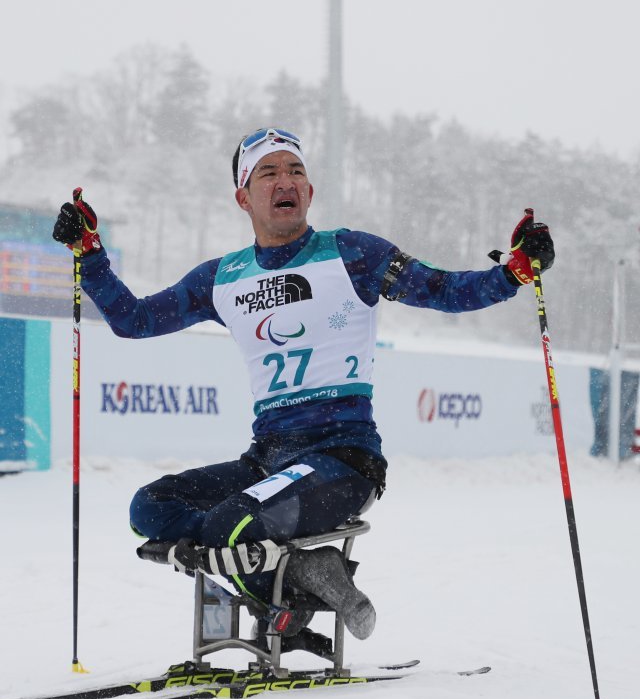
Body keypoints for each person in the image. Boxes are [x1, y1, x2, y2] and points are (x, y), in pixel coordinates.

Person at [52, 127, 554, 641]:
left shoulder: (353, 253)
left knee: (231, 523)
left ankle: (282, 587)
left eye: (296, 171)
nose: (285, 181)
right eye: (268, 173)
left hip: (342, 460)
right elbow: (134, 320)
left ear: (310, 193)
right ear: (243, 197)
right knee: (149, 508)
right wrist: (88, 254)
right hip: (267, 459)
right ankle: (299, 577)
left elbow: (446, 291)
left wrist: (515, 270)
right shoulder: (222, 277)